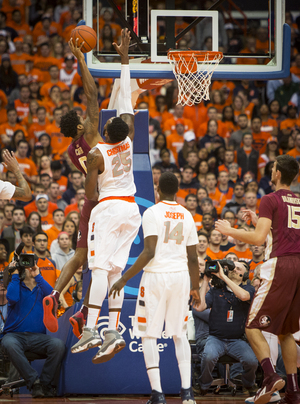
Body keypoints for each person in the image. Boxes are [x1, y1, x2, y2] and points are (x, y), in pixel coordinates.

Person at [43, 30, 133, 336]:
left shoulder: (71, 151)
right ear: (81, 126)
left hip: (89, 205)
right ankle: (88, 314)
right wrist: (81, 60)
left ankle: (56, 296)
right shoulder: (93, 133)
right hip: (104, 201)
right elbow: (93, 95)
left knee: (82, 256)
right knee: (104, 266)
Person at [71, 30, 141, 364]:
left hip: (109, 207)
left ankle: (90, 328)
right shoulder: (128, 139)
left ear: (104, 131)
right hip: (131, 213)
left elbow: (90, 192)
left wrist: (81, 60)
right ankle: (113, 330)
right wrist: (125, 59)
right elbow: (125, 98)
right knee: (114, 271)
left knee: (98, 269)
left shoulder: (96, 153)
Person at [215, 154, 300, 404]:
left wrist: (229, 230)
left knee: (252, 327)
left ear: (276, 174)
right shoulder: (297, 200)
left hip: (281, 265)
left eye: (272, 168)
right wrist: (261, 220)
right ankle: (293, 392)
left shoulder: (270, 198)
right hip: (298, 264)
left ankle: (271, 377)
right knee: (285, 331)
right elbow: (285, 230)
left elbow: (259, 239)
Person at [110, 172, 200, 404]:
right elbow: (192, 258)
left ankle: (158, 394)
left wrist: (124, 279)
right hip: (180, 277)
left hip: (156, 277)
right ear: (178, 189)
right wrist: (195, 287)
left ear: (157, 188)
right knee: (179, 335)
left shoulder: (151, 212)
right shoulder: (187, 215)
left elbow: (148, 252)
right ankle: (187, 393)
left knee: (148, 334)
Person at [1, 260, 65, 398]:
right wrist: (15, 275)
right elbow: (11, 298)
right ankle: (34, 381)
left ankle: (45, 383)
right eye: (26, 267)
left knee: (58, 345)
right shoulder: (16, 285)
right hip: (14, 335)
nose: (29, 268)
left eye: (32, 266)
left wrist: (38, 275)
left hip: (37, 337)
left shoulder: (41, 288)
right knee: (9, 343)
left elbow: (53, 298)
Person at [197, 260, 257, 396]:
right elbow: (200, 307)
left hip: (237, 340)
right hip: (216, 338)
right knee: (208, 357)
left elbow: (243, 296)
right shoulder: (216, 290)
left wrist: (223, 276)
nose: (234, 269)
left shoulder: (249, 289)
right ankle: (204, 385)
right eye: (232, 267)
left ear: (244, 275)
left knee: (252, 361)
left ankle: (249, 384)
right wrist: (206, 280)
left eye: (238, 268)